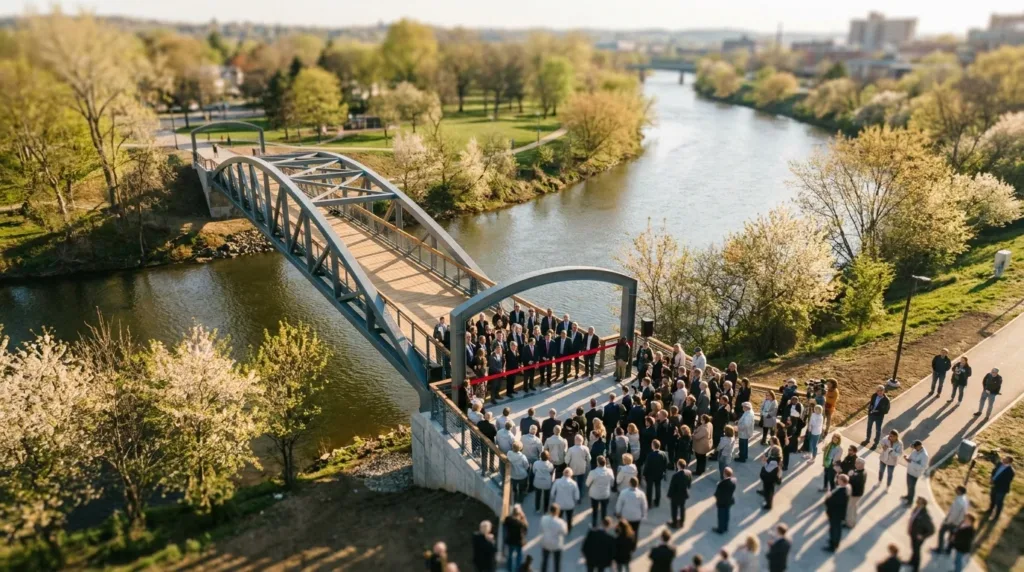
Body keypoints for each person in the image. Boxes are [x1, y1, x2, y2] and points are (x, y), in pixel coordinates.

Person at [934, 485, 969, 555]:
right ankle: (948, 550)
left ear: (960, 491)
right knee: (952, 536)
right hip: (958, 522)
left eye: (957, 489)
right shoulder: (964, 499)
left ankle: (940, 549)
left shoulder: (959, 502)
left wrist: (947, 522)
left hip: (952, 522)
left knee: (942, 532)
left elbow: (954, 514)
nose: (955, 490)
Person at [615, 477, 648, 546]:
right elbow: (644, 506)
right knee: (635, 531)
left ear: (629, 483)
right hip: (636, 517)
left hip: (626, 517)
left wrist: (618, 512)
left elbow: (619, 503)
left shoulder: (623, 492)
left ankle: (625, 544)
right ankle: (633, 545)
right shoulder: (641, 494)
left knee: (624, 531)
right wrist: (644, 515)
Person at [907, 497, 936, 572]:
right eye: (917, 502)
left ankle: (916, 568)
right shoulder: (917, 509)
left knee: (917, 552)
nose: (917, 503)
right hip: (913, 533)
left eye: (918, 502)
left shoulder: (925, 516)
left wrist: (922, 536)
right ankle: (911, 562)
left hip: (918, 537)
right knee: (914, 549)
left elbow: (932, 530)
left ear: (923, 505)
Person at [823, 474, 850, 552]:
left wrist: (828, 497)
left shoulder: (842, 492)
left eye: (839, 479)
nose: (837, 480)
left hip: (836, 514)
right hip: (836, 513)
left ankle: (833, 545)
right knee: (835, 528)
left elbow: (833, 502)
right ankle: (834, 541)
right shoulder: (842, 489)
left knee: (835, 529)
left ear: (842, 481)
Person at [587, 456, 614, 527]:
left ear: (597, 463)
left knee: (595, 510)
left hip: (594, 494)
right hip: (605, 494)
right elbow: (612, 483)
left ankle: (594, 524)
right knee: (604, 510)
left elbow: (587, 483)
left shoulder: (593, 472)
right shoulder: (610, 471)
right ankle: (604, 524)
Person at [986, 454, 1015, 520]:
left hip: (1001, 489)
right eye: (1004, 458)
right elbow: (994, 470)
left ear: (1009, 462)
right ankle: (990, 510)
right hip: (994, 486)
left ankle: (996, 516)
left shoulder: (1011, 471)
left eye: (1006, 459)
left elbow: (1005, 481)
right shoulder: (999, 464)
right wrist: (991, 478)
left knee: (999, 502)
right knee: (992, 498)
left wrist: (994, 482)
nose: (1004, 459)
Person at [540, 504, 568, 572]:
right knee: (557, 564)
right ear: (558, 512)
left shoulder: (544, 519)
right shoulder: (561, 522)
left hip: (546, 542)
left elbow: (542, 529)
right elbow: (564, 532)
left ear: (550, 510)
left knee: (545, 562)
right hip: (556, 545)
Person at [550, 468, 580, 532]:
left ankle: (558, 529)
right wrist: (575, 501)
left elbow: (552, 493)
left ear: (563, 473)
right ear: (571, 474)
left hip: (559, 504)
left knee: (559, 518)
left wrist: (554, 499)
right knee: (569, 518)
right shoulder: (574, 483)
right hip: (570, 504)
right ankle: (569, 529)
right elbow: (577, 496)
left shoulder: (557, 481)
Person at [667, 459, 692, 528]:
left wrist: (669, 495)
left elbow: (672, 486)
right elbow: (689, 484)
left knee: (674, 509)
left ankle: (674, 523)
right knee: (682, 508)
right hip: (684, 494)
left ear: (678, 465)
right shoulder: (689, 473)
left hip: (675, 495)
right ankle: (682, 522)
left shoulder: (675, 475)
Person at [503, 505, 528, 572]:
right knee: (518, 557)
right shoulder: (521, 522)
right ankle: (517, 570)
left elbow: (505, 526)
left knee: (510, 556)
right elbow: (525, 530)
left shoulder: (508, 519)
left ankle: (510, 569)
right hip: (518, 542)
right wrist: (524, 517)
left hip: (510, 541)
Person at [903, 440, 929, 504]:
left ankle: (910, 501)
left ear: (920, 446)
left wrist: (911, 462)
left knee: (912, 487)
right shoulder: (915, 450)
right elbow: (911, 458)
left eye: (915, 447)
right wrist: (907, 458)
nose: (914, 448)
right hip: (909, 471)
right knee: (909, 485)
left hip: (915, 474)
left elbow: (923, 467)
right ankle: (908, 496)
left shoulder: (924, 456)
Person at [713, 467, 737, 534]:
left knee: (721, 516)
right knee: (727, 514)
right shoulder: (734, 481)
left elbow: (717, 494)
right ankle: (725, 527)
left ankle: (720, 529)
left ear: (725, 474)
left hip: (722, 502)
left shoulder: (721, 484)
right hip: (729, 501)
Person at [846, 458, 867, 528]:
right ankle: (853, 521)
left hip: (855, 493)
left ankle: (850, 523)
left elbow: (854, 482)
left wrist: (850, 476)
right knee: (854, 507)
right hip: (858, 493)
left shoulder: (860, 474)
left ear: (861, 465)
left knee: (850, 508)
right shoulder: (861, 471)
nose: (855, 464)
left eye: (857, 463)